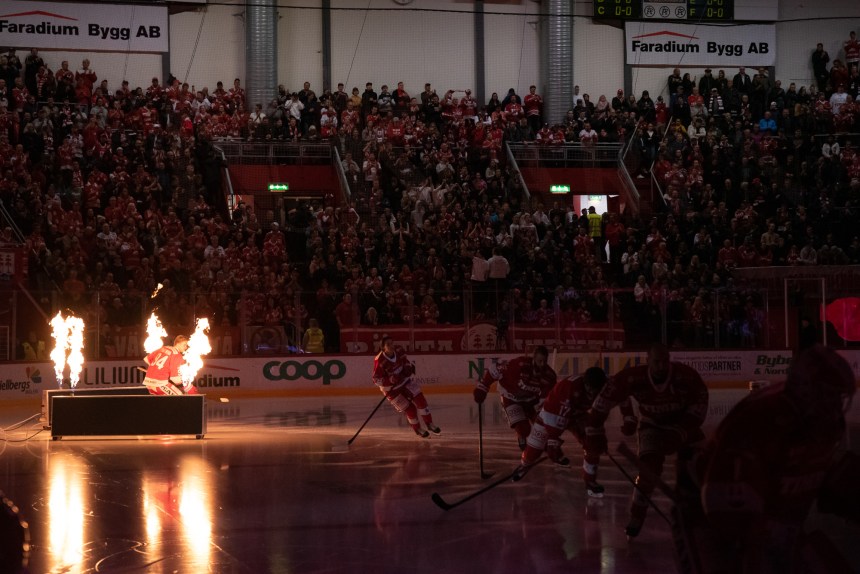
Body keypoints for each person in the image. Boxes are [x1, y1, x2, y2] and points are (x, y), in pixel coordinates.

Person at [681, 345, 858, 573]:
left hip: (764, 521)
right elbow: (727, 509)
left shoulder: (824, 424)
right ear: (805, 389)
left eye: (838, 396)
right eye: (828, 394)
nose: (834, 405)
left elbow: (813, 479)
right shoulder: (761, 422)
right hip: (712, 518)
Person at [586, 343, 708, 538]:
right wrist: (595, 430)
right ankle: (636, 516)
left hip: (683, 424)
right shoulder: (633, 378)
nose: (661, 366)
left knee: (702, 468)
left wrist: (680, 431)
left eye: (665, 361)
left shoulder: (686, 376)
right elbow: (603, 400)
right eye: (656, 362)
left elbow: (701, 401)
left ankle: (704, 514)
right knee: (649, 472)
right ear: (647, 361)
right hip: (652, 425)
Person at [515, 367, 637, 497]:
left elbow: (623, 397)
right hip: (551, 412)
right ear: (584, 383)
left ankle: (590, 481)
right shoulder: (569, 388)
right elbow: (559, 417)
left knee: (592, 444)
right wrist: (552, 440)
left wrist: (629, 417)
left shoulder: (610, 386)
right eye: (589, 389)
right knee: (534, 450)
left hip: (578, 414)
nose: (591, 393)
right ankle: (524, 464)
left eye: (595, 390)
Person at [473, 346, 558, 449]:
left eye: (544, 361)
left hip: (531, 401)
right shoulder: (518, 365)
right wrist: (482, 388)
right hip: (510, 398)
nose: (542, 364)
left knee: (543, 427)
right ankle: (521, 435)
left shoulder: (549, 376)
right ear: (534, 358)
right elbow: (494, 370)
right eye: (539, 361)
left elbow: (548, 398)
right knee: (524, 430)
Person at [372, 335, 440, 438]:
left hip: (405, 382)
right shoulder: (379, 360)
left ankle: (429, 424)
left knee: (420, 400)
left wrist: (408, 369)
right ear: (383, 348)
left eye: (392, 343)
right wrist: (390, 380)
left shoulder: (399, 350)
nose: (391, 346)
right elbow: (376, 379)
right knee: (410, 409)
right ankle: (417, 429)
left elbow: (406, 362)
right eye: (388, 344)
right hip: (392, 390)